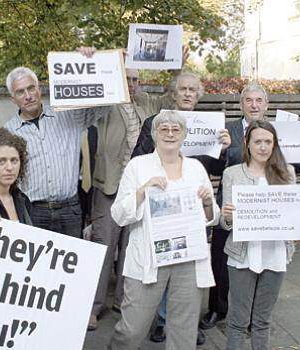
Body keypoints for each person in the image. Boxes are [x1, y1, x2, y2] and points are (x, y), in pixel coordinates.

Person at [200, 82, 300, 331]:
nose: (254, 105)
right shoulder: (227, 130)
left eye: (258, 100)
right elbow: (216, 169)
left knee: (257, 264)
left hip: (266, 210)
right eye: (248, 100)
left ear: (266, 104)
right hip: (233, 206)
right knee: (220, 261)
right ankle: (217, 309)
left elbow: (289, 165)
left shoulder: (276, 132)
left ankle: (252, 316)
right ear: (241, 105)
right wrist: (223, 151)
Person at [106, 110, 220, 350]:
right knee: (132, 328)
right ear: (154, 133)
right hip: (150, 257)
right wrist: (141, 191)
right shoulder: (139, 166)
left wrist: (208, 203)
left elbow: (212, 217)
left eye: (176, 129)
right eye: (164, 128)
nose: (170, 133)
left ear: (184, 135)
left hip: (189, 258)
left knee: (184, 330)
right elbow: (118, 214)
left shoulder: (196, 168)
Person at [132, 72, 231, 344]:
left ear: (198, 95)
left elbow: (216, 170)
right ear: (173, 94)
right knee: (165, 261)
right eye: (183, 89)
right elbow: (137, 159)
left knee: (189, 265)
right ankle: (163, 321)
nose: (187, 93)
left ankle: (184, 324)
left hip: (193, 208)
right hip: (162, 205)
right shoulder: (155, 122)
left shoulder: (208, 127)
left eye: (193, 90)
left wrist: (223, 150)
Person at [220, 120, 300, 349]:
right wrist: (226, 215)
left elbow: (294, 215)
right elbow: (225, 222)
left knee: (262, 321)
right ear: (247, 143)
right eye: (258, 141)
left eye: (268, 141)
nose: (263, 147)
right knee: (237, 322)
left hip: (275, 253)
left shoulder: (287, 172)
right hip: (242, 254)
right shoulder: (232, 173)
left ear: (275, 144)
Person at [4, 51, 110, 238]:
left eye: (31, 88)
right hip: (32, 212)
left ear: (40, 89)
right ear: (13, 99)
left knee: (74, 265)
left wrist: (88, 62)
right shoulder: (8, 132)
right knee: (35, 266)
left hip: (70, 211)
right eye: (20, 92)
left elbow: (105, 103)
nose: (28, 96)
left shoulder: (67, 115)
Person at [88, 68, 155, 330]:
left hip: (138, 186)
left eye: (135, 78)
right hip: (110, 185)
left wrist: (174, 66)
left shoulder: (144, 102)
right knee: (104, 247)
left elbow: (173, 100)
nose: (131, 83)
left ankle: (121, 300)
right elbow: (87, 96)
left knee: (130, 248)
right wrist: (91, 62)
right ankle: (93, 307)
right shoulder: (107, 103)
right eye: (126, 78)